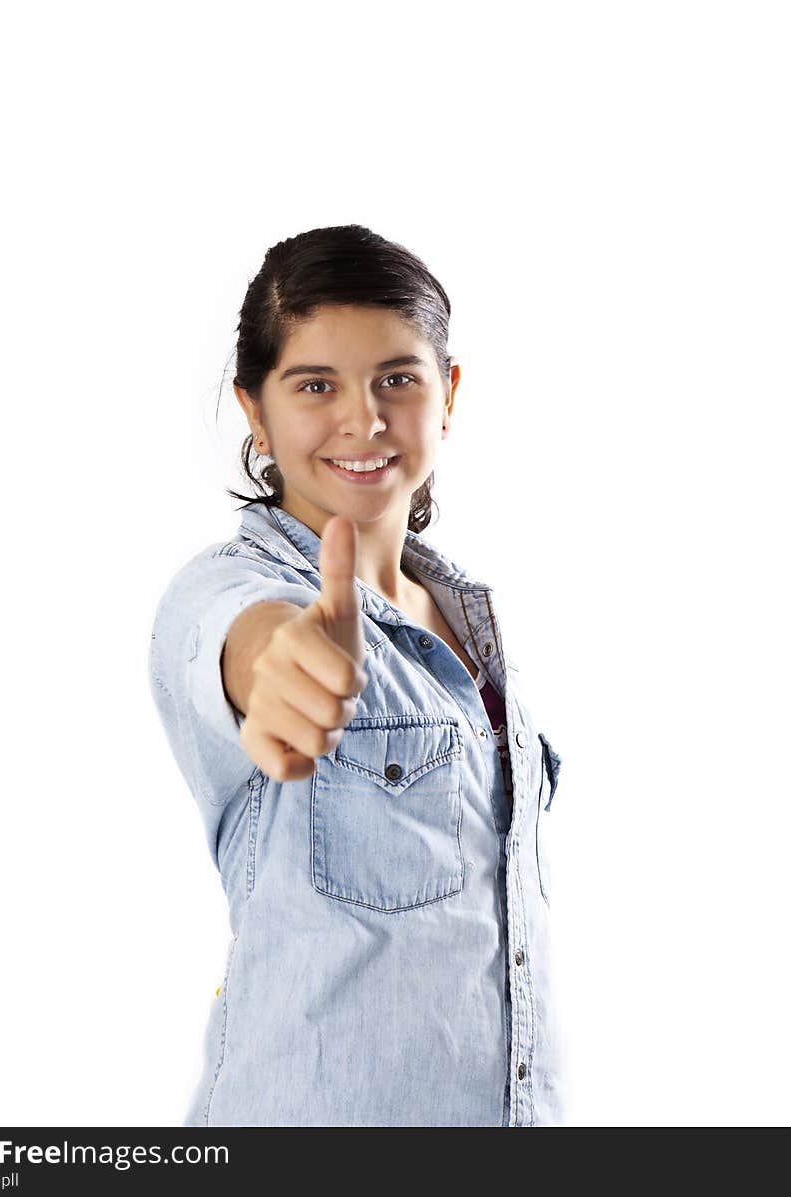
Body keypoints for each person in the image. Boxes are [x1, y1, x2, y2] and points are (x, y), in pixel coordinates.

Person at [148, 224, 565, 1127]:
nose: (363, 420)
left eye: (397, 379)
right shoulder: (230, 590)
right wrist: (277, 665)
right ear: (253, 411)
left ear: (447, 393)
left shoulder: (469, 623)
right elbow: (235, 641)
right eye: (315, 386)